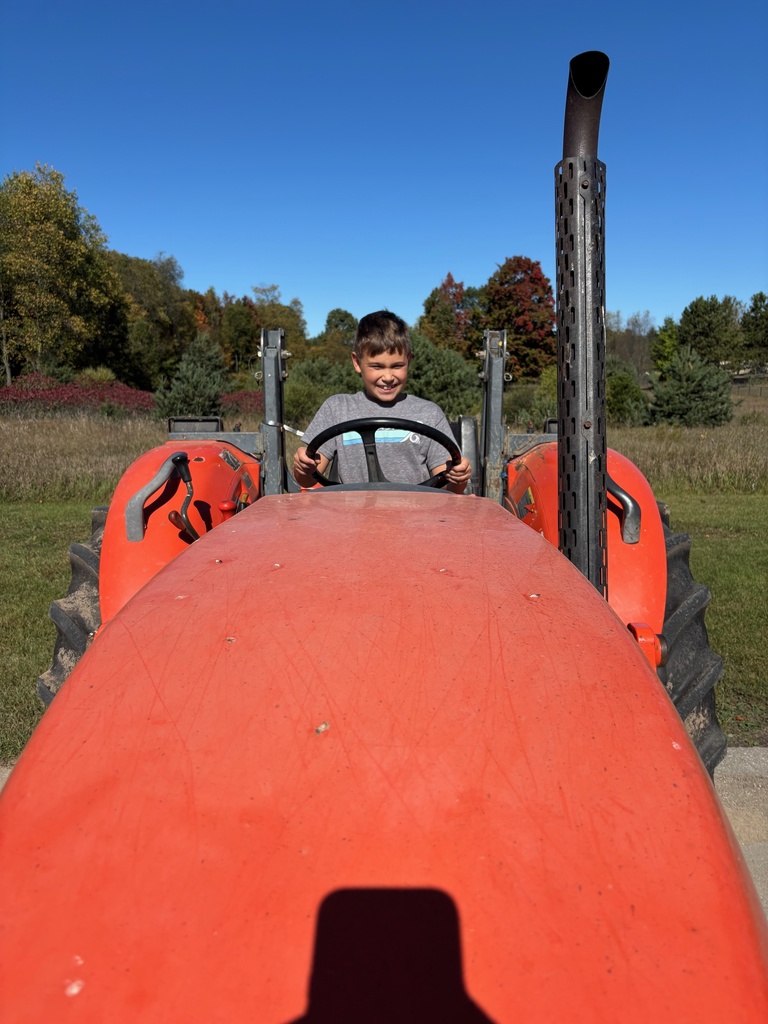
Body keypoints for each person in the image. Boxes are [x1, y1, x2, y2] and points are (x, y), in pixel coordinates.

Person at [293, 310, 472, 493]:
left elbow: (449, 489)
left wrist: (458, 478)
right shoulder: (337, 409)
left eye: (397, 366)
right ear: (357, 362)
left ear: (408, 361)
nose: (388, 377)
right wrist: (303, 467)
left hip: (415, 515)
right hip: (350, 515)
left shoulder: (429, 414)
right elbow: (307, 480)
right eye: (376, 366)